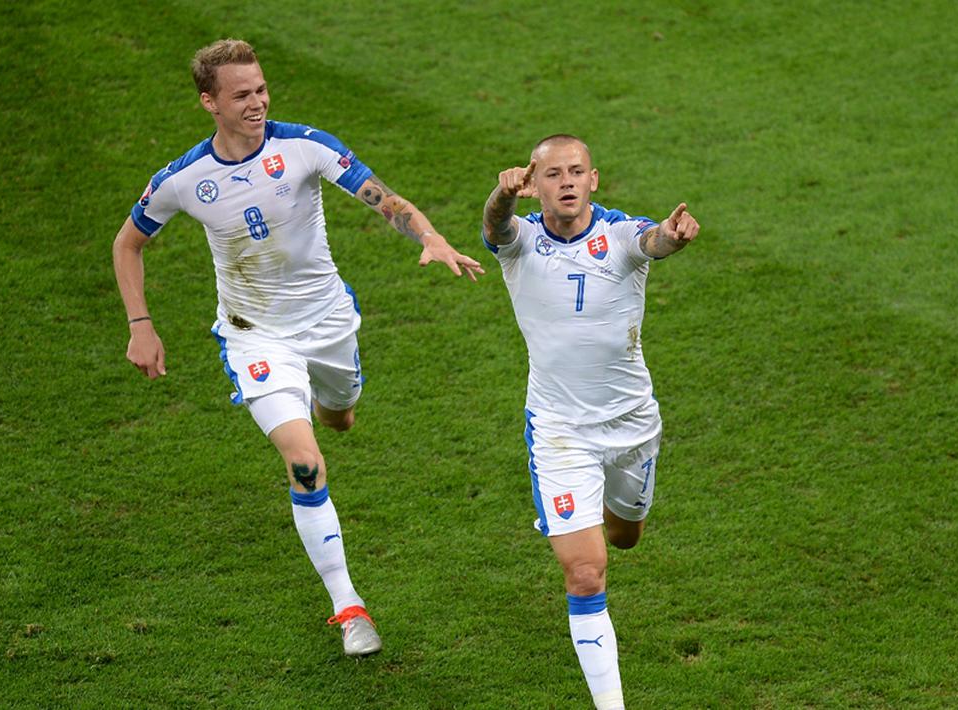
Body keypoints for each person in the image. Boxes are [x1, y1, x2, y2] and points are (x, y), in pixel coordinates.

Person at [112, 39, 484, 657]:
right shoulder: (181, 180)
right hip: (255, 335)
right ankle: (349, 608)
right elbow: (127, 243)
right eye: (241, 95)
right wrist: (140, 323)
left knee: (339, 417)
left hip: (329, 324)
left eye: (260, 89)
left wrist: (430, 236)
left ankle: (327, 404)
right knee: (306, 461)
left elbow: (384, 198)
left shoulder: (306, 146)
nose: (257, 102)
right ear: (210, 102)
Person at [481, 135, 699, 708]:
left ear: (594, 179)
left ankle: (609, 508)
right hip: (559, 432)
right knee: (586, 573)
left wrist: (672, 237)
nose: (568, 182)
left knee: (625, 536)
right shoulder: (522, 239)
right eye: (553, 174)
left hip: (632, 425)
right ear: (535, 181)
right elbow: (494, 227)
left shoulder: (622, 235)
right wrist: (501, 197)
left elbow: (653, 242)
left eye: (577, 171)